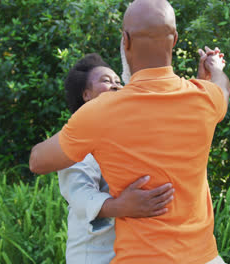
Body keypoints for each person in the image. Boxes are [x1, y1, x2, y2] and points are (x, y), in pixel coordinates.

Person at [29, 0, 230, 263]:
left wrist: (79, 129)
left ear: (125, 41)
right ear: (175, 40)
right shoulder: (204, 98)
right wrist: (214, 67)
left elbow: (37, 161)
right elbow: (222, 88)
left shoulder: (99, 112)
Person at [58, 53, 174, 264]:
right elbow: (79, 195)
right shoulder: (75, 137)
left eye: (118, 82)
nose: (115, 86)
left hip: (132, 251)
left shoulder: (127, 133)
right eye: (105, 81)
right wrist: (120, 206)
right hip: (93, 254)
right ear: (86, 94)